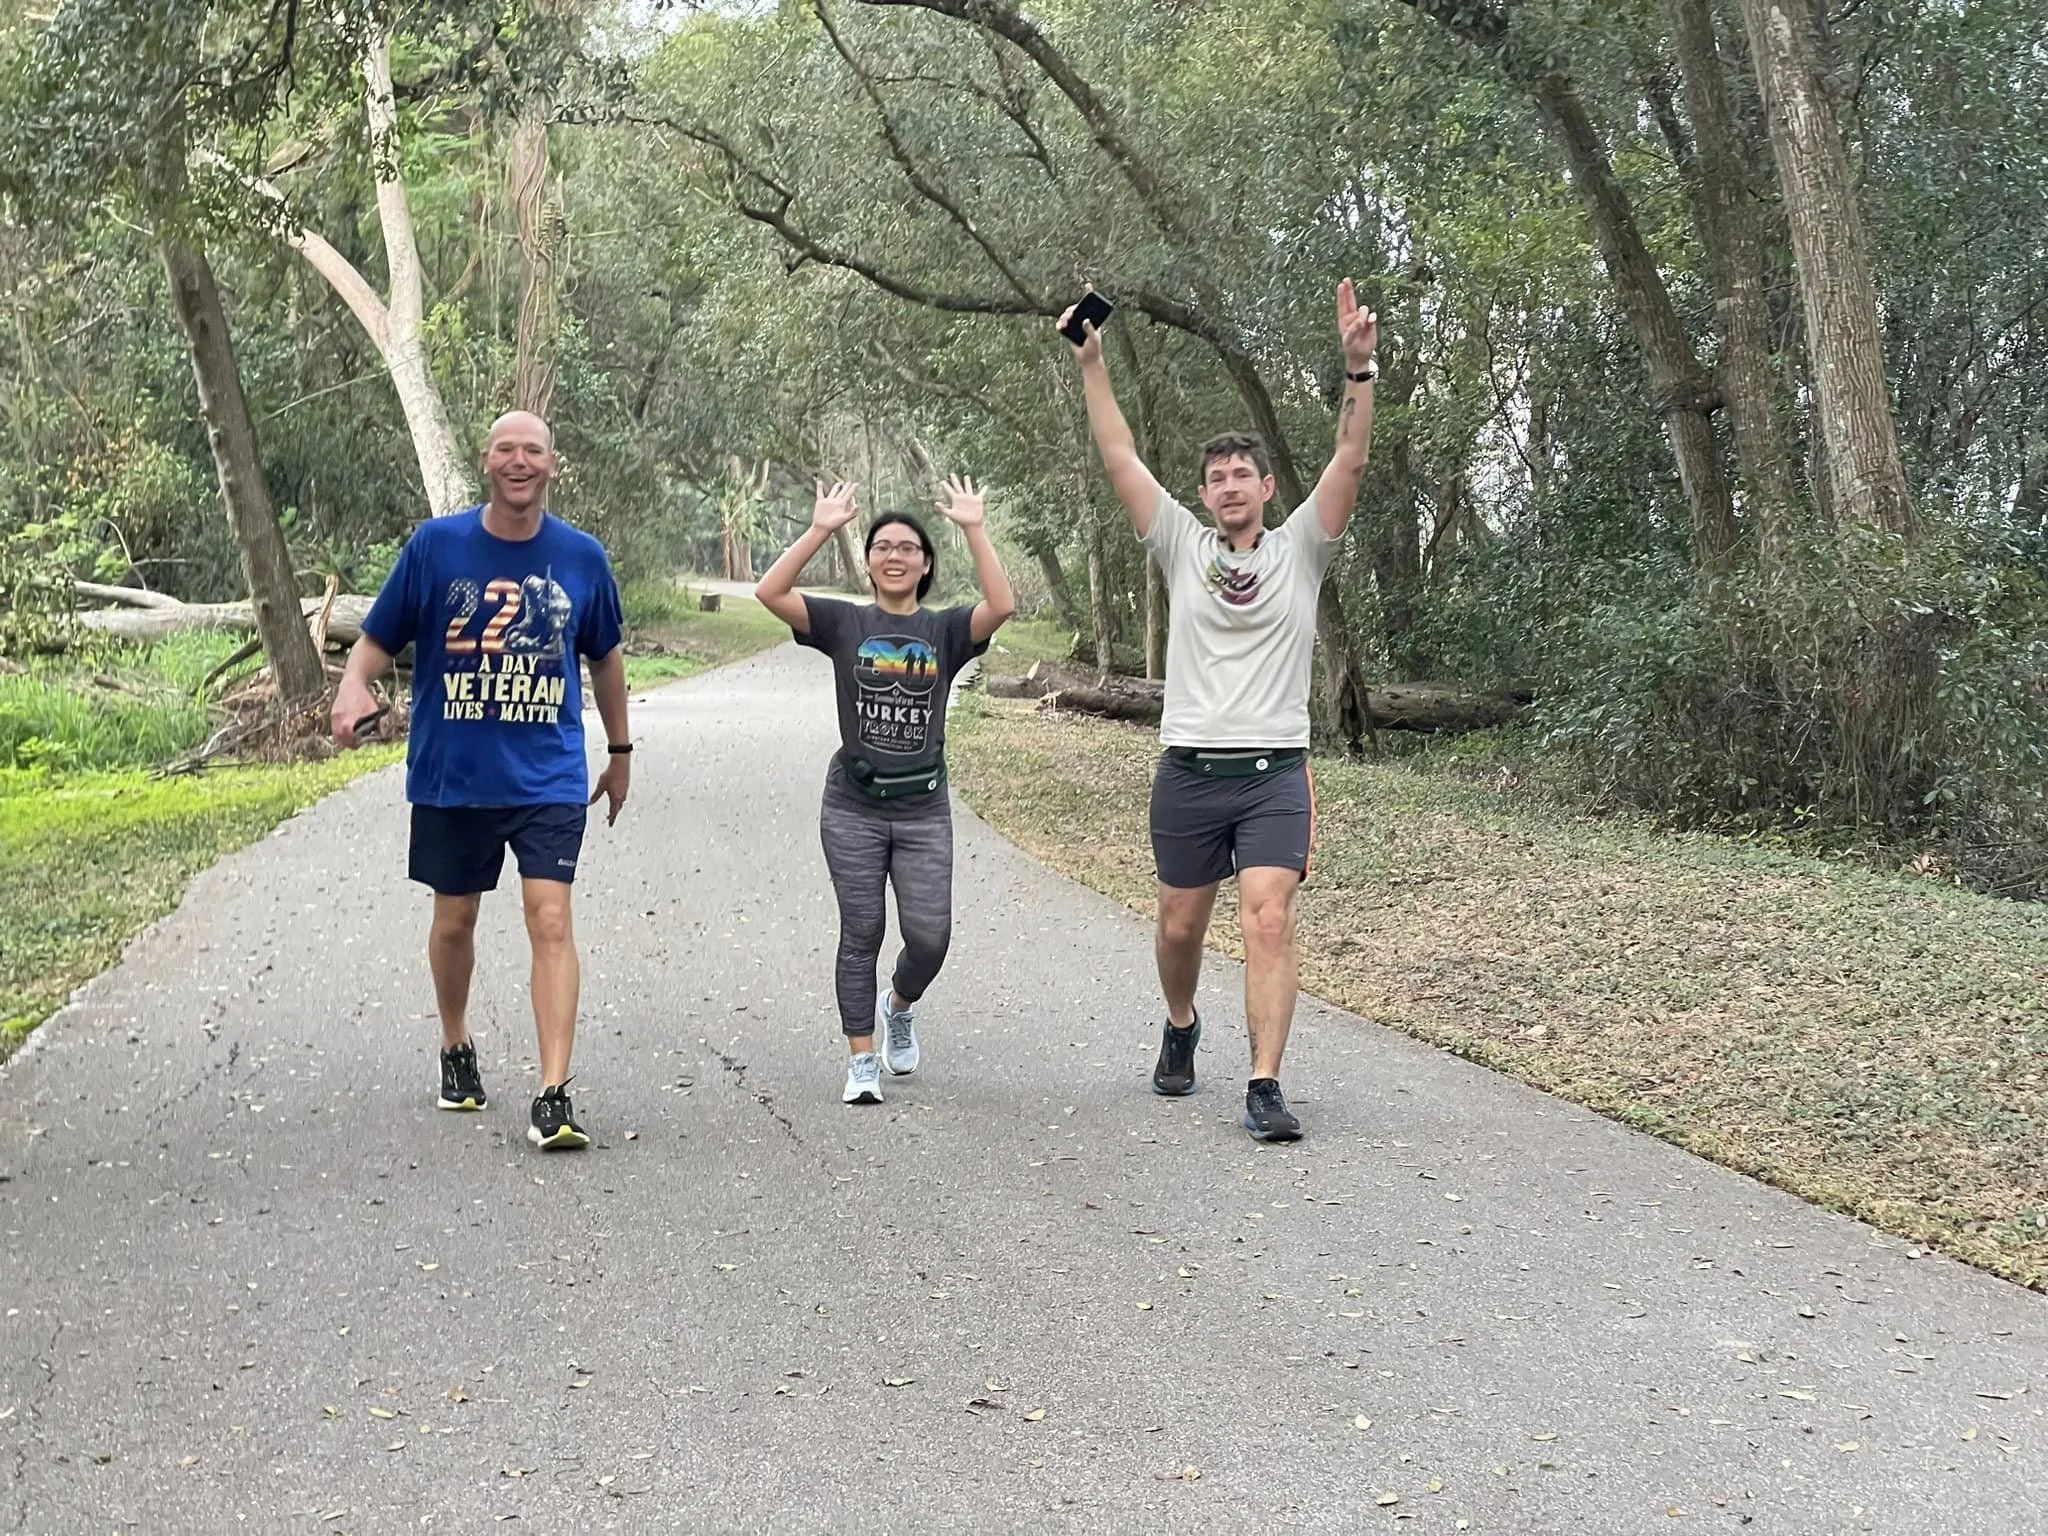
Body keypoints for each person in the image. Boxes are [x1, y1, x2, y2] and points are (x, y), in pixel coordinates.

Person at [1060, 280, 1378, 1142]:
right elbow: (1120, 456)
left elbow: (1349, 460)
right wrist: (1092, 364)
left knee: (1268, 918)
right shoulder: (1179, 544)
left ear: (1266, 487)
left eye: (1243, 474)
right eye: (1216, 477)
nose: (1230, 485)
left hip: (1273, 773)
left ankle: (1265, 1084)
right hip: (1189, 773)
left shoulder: (1302, 547)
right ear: (1203, 496)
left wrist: (1359, 370)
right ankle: (1181, 1022)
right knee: (1179, 927)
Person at [331, 409, 631, 1151]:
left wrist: (620, 750)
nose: (519, 461)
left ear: (552, 464)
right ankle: (456, 1041)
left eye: (533, 450)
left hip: (547, 775)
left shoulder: (582, 558)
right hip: (453, 773)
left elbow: (605, 657)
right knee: (455, 919)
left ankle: (553, 1093)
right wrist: (352, 685)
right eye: (506, 449)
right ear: (486, 460)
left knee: (550, 919)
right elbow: (377, 638)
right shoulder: (436, 547)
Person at [755, 475, 1015, 1105]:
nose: (894, 555)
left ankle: (898, 1004)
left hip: (923, 809)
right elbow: (770, 591)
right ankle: (862, 1059)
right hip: (853, 806)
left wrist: (975, 527)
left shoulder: (945, 630)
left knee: (930, 938)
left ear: (925, 564)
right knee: (862, 930)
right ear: (868, 562)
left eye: (907, 548)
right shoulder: (844, 622)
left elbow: (1001, 605)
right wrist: (821, 529)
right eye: (882, 547)